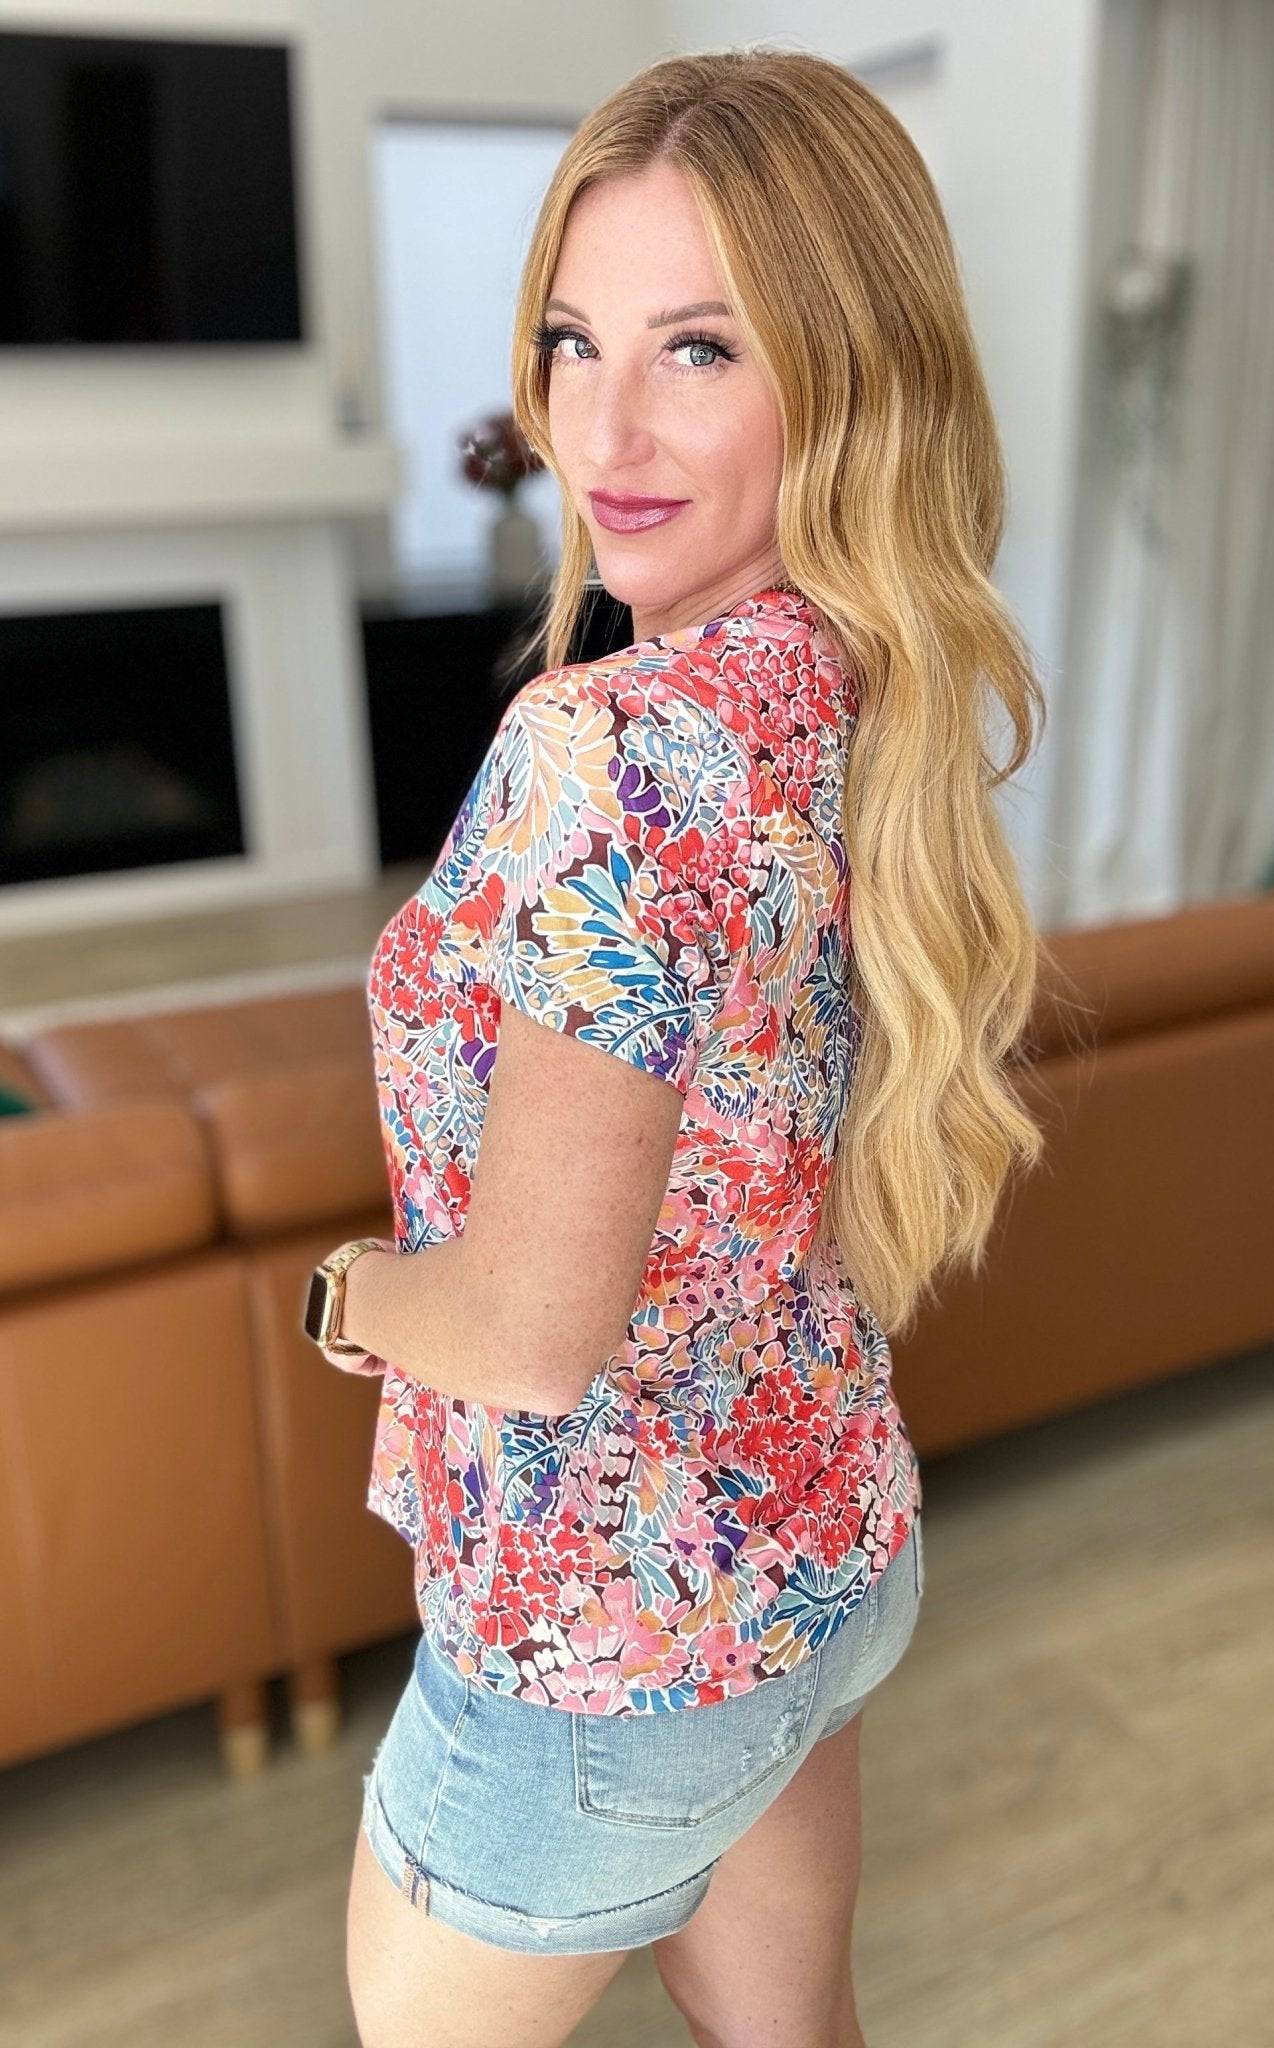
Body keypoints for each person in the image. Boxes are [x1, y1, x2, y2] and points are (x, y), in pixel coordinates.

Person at [328, 44, 1046, 2048]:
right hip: (817, 1554)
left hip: (597, 1645)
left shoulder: (611, 750)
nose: (601, 428)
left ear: (848, 375)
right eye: (571, 342)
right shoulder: (854, 671)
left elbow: (524, 1333)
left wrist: (342, 1291)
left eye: (700, 349)